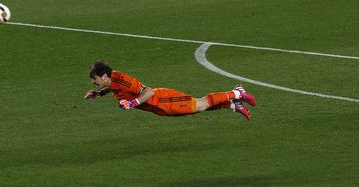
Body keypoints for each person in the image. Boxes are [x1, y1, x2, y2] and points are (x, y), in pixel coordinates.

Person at [84, 61, 257, 120]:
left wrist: (133, 103)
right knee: (198, 108)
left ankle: (236, 92)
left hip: (162, 100)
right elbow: (115, 89)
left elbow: (149, 91)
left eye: (96, 81)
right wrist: (98, 93)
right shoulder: (112, 82)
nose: (94, 83)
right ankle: (232, 105)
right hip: (159, 108)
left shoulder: (122, 80)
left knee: (200, 104)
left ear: (105, 76)